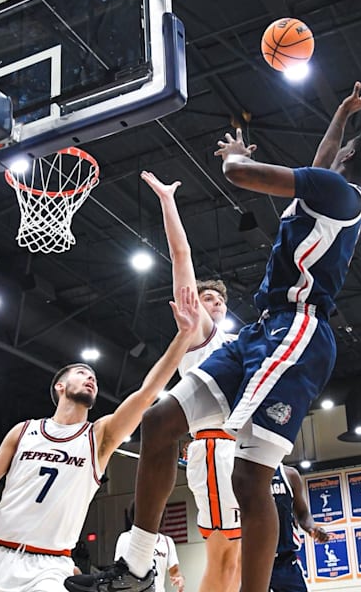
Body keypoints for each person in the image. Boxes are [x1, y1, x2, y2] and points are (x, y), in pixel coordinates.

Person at [69, 80, 361, 592]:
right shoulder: (334, 193)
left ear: (351, 157)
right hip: (263, 331)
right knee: (159, 421)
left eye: (343, 150)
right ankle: (135, 567)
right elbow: (325, 157)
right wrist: (341, 114)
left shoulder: (337, 193)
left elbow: (240, 174)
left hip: (298, 331)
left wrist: (235, 155)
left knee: (249, 478)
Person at [0, 287, 201, 592]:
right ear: (60, 387)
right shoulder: (23, 431)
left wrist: (184, 336)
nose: (91, 378)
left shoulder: (99, 436)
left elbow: (146, 394)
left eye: (94, 378)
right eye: (82, 373)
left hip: (50, 566)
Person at [140, 170, 241, 592]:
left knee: (238, 557)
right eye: (206, 298)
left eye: (218, 299)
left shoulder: (240, 341)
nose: (213, 303)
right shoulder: (200, 333)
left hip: (243, 446)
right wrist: (168, 202)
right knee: (222, 554)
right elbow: (182, 257)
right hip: (215, 444)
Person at [269, 466, 328, 592]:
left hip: (286, 561)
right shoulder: (246, 473)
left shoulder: (289, 474)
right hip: (255, 561)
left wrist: (312, 528)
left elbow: (302, 513)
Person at [112, 507, 183, 592]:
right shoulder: (126, 538)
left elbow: (175, 571)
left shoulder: (167, 541)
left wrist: (179, 578)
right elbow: (118, 570)